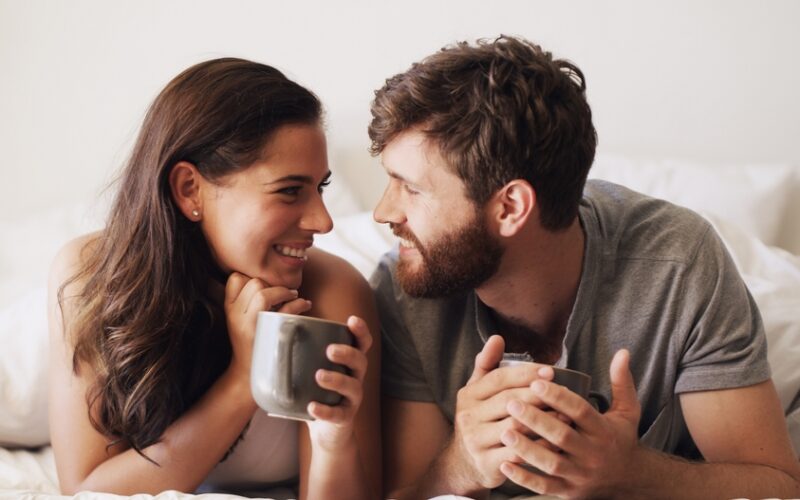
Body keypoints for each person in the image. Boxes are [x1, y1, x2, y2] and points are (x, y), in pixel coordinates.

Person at [368, 36, 800, 499]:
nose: (383, 212)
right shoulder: (407, 288)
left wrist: (630, 471)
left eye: (410, 188)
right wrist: (461, 464)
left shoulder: (677, 266)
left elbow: (776, 485)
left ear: (511, 206)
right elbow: (402, 493)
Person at [47, 58, 381, 499]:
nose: (323, 222)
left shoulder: (332, 292)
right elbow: (89, 489)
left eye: (320, 188)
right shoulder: (89, 276)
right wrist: (244, 379)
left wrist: (332, 440)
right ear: (190, 190)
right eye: (289, 191)